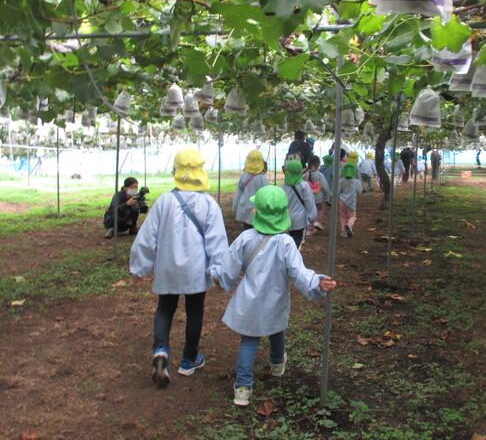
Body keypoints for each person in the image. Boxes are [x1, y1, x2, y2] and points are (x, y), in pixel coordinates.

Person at [210, 185, 337, 407]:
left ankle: (242, 388)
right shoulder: (287, 243)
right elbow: (299, 273)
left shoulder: (245, 238)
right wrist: (316, 282)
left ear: (255, 212)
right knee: (277, 329)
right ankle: (277, 363)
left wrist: (218, 277)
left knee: (249, 341)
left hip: (249, 301)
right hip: (275, 299)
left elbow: (228, 268)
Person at [129, 149, 228, 389]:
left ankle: (161, 352)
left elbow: (147, 236)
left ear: (176, 171)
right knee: (195, 311)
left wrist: (142, 266)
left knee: (165, 308)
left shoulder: (164, 201)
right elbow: (217, 240)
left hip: (168, 267)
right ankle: (189, 359)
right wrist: (219, 269)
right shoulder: (208, 204)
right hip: (196, 270)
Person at [282, 160, 316, 249]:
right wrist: (311, 217)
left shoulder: (283, 187)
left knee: (286, 244)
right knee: (297, 244)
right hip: (299, 221)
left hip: (286, 220)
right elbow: (309, 202)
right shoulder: (304, 186)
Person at [233, 150, 269, 230]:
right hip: (258, 209)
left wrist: (235, 207)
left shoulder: (244, 176)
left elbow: (238, 192)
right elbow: (267, 196)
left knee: (246, 229)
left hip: (245, 207)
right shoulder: (264, 179)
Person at [304, 155, 332, 235]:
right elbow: (324, 186)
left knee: (310, 212)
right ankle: (317, 221)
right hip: (319, 197)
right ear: (318, 164)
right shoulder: (320, 175)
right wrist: (328, 195)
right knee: (320, 209)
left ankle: (309, 229)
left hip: (309, 198)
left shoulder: (306, 175)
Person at [339, 162, 363, 238]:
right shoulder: (356, 182)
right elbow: (360, 191)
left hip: (342, 200)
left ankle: (344, 231)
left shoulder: (341, 180)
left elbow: (337, 191)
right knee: (352, 216)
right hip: (351, 201)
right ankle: (349, 224)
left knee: (343, 216)